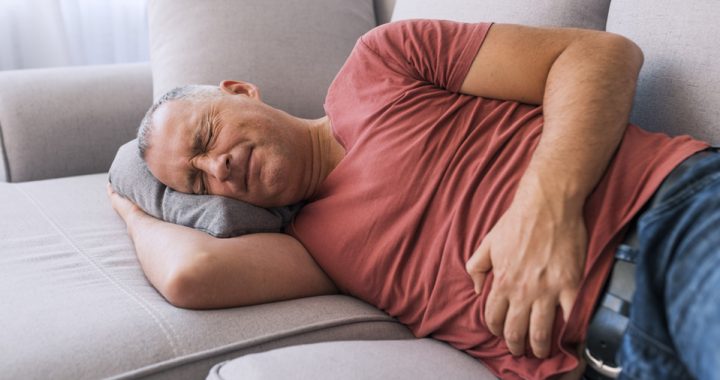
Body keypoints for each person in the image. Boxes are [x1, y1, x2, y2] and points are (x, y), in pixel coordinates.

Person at [108, 20, 719, 380]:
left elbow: (599, 54)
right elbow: (190, 276)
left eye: (207, 136)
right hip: (615, 360)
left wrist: (545, 210)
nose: (219, 169)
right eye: (197, 183)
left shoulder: (381, 62)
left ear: (240, 90)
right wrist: (129, 204)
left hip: (670, 227)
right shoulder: (311, 247)